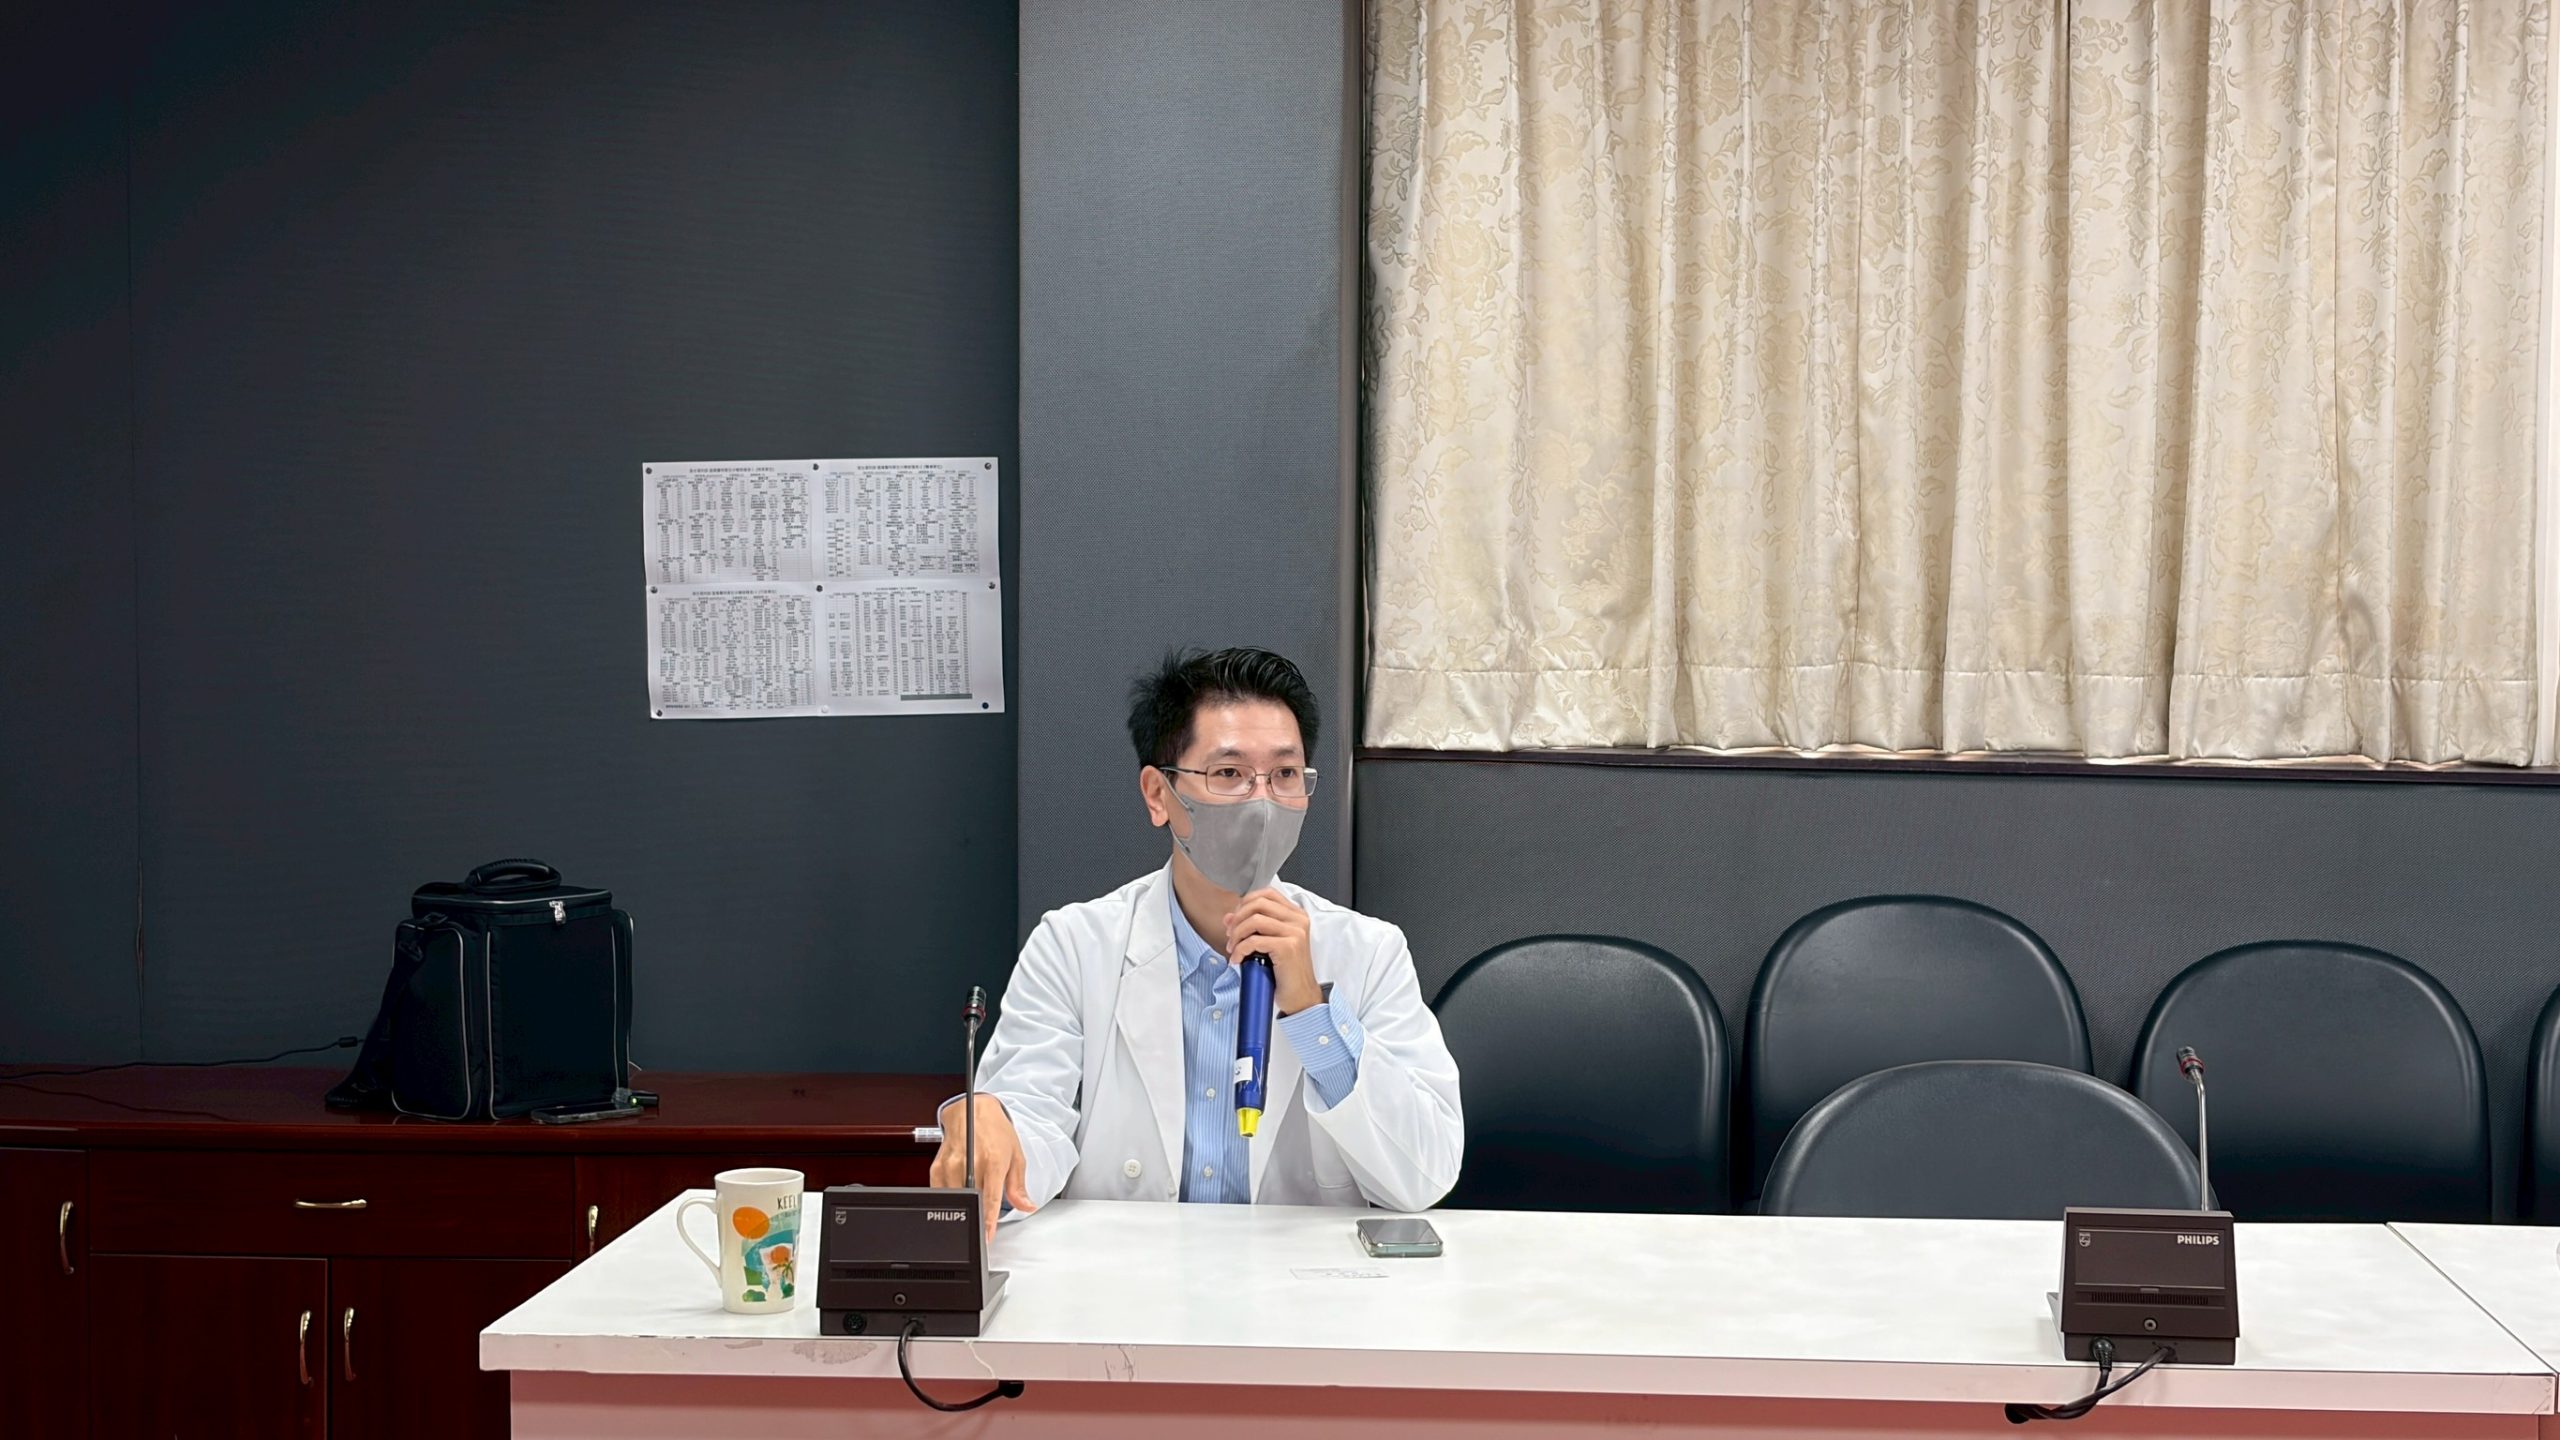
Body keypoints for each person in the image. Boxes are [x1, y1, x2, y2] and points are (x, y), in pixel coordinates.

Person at [931, 647, 1463, 1235]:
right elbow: (1028, 1125)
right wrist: (995, 1128)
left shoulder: (1369, 952)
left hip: (1299, 1282)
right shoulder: (1074, 947)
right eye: (1229, 774)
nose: (1263, 801)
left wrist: (1312, 1009)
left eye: (1285, 774)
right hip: (1127, 1275)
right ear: (1159, 795)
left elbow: (1424, 1174)